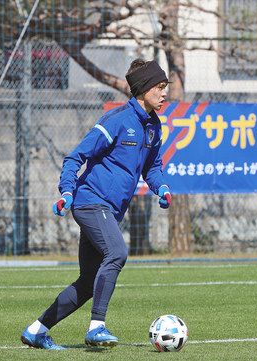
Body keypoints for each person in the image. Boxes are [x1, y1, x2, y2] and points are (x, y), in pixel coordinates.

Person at [21, 59, 172, 350]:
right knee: (116, 253)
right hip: (90, 202)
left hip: (109, 211)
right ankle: (97, 327)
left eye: (165, 87)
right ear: (143, 89)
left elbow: (152, 168)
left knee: (89, 281)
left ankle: (36, 330)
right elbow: (75, 157)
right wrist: (66, 191)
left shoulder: (153, 126)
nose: (165, 93)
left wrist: (160, 186)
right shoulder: (116, 121)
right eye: (160, 87)